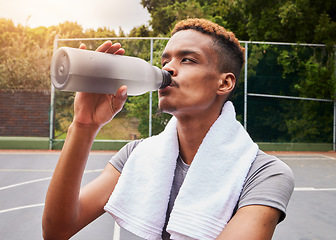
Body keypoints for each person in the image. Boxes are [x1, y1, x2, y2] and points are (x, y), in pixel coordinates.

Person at [42, 18, 294, 240]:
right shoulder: (136, 155)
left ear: (224, 82)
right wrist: (84, 124)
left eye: (188, 59)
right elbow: (58, 230)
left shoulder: (264, 175)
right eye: (165, 60)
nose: (168, 69)